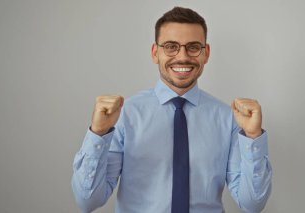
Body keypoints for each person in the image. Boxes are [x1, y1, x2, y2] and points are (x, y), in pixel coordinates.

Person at [72, 6, 272, 213]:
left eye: (193, 47)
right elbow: (88, 202)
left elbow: (252, 204)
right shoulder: (124, 115)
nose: (182, 56)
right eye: (171, 46)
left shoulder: (229, 118)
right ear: (155, 53)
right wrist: (98, 134)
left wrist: (252, 136)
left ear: (206, 53)